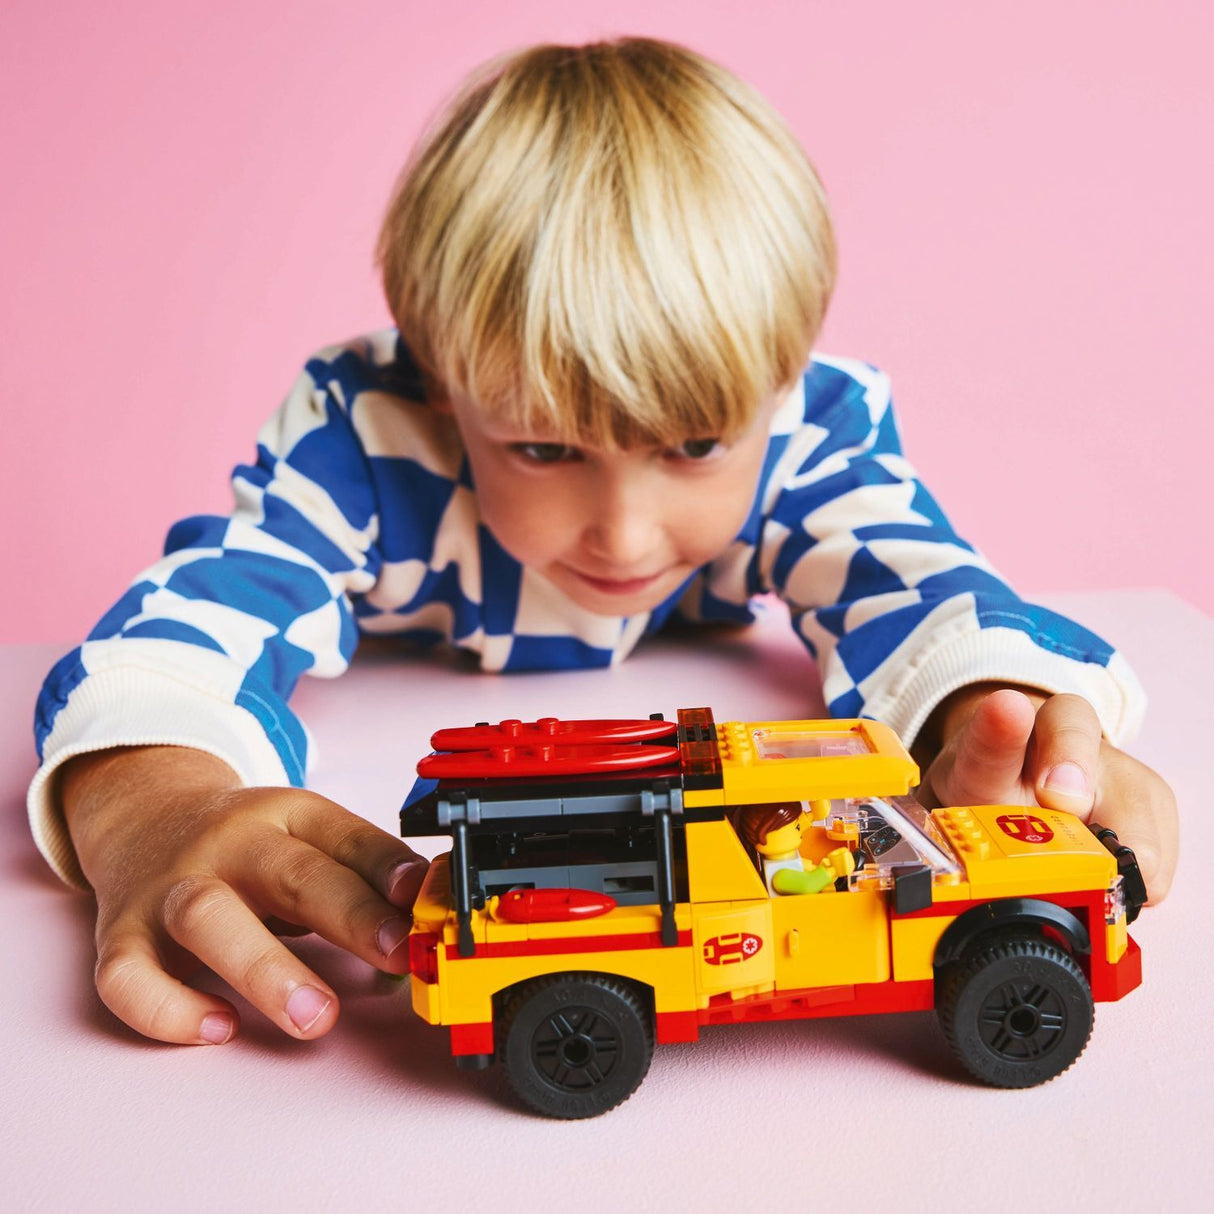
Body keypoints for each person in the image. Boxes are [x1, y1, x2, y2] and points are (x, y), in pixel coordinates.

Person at [29, 37, 1178, 1050]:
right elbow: (194, 617)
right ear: (439, 384)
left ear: (779, 388)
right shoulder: (367, 439)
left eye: (691, 447)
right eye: (540, 449)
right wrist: (150, 805)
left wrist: (1000, 712)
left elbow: (923, 588)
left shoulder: (805, 433)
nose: (626, 531)